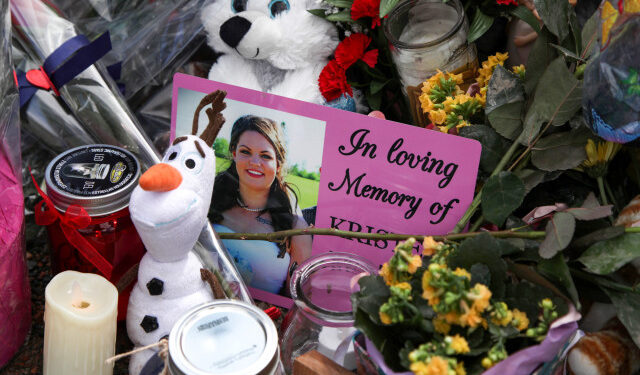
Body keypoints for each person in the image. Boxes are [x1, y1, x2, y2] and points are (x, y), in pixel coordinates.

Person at [210, 115, 312, 295]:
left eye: (265, 156)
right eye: (245, 152)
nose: (255, 162)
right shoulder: (209, 202)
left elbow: (295, 302)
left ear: (278, 164)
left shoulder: (296, 229)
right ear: (234, 154)